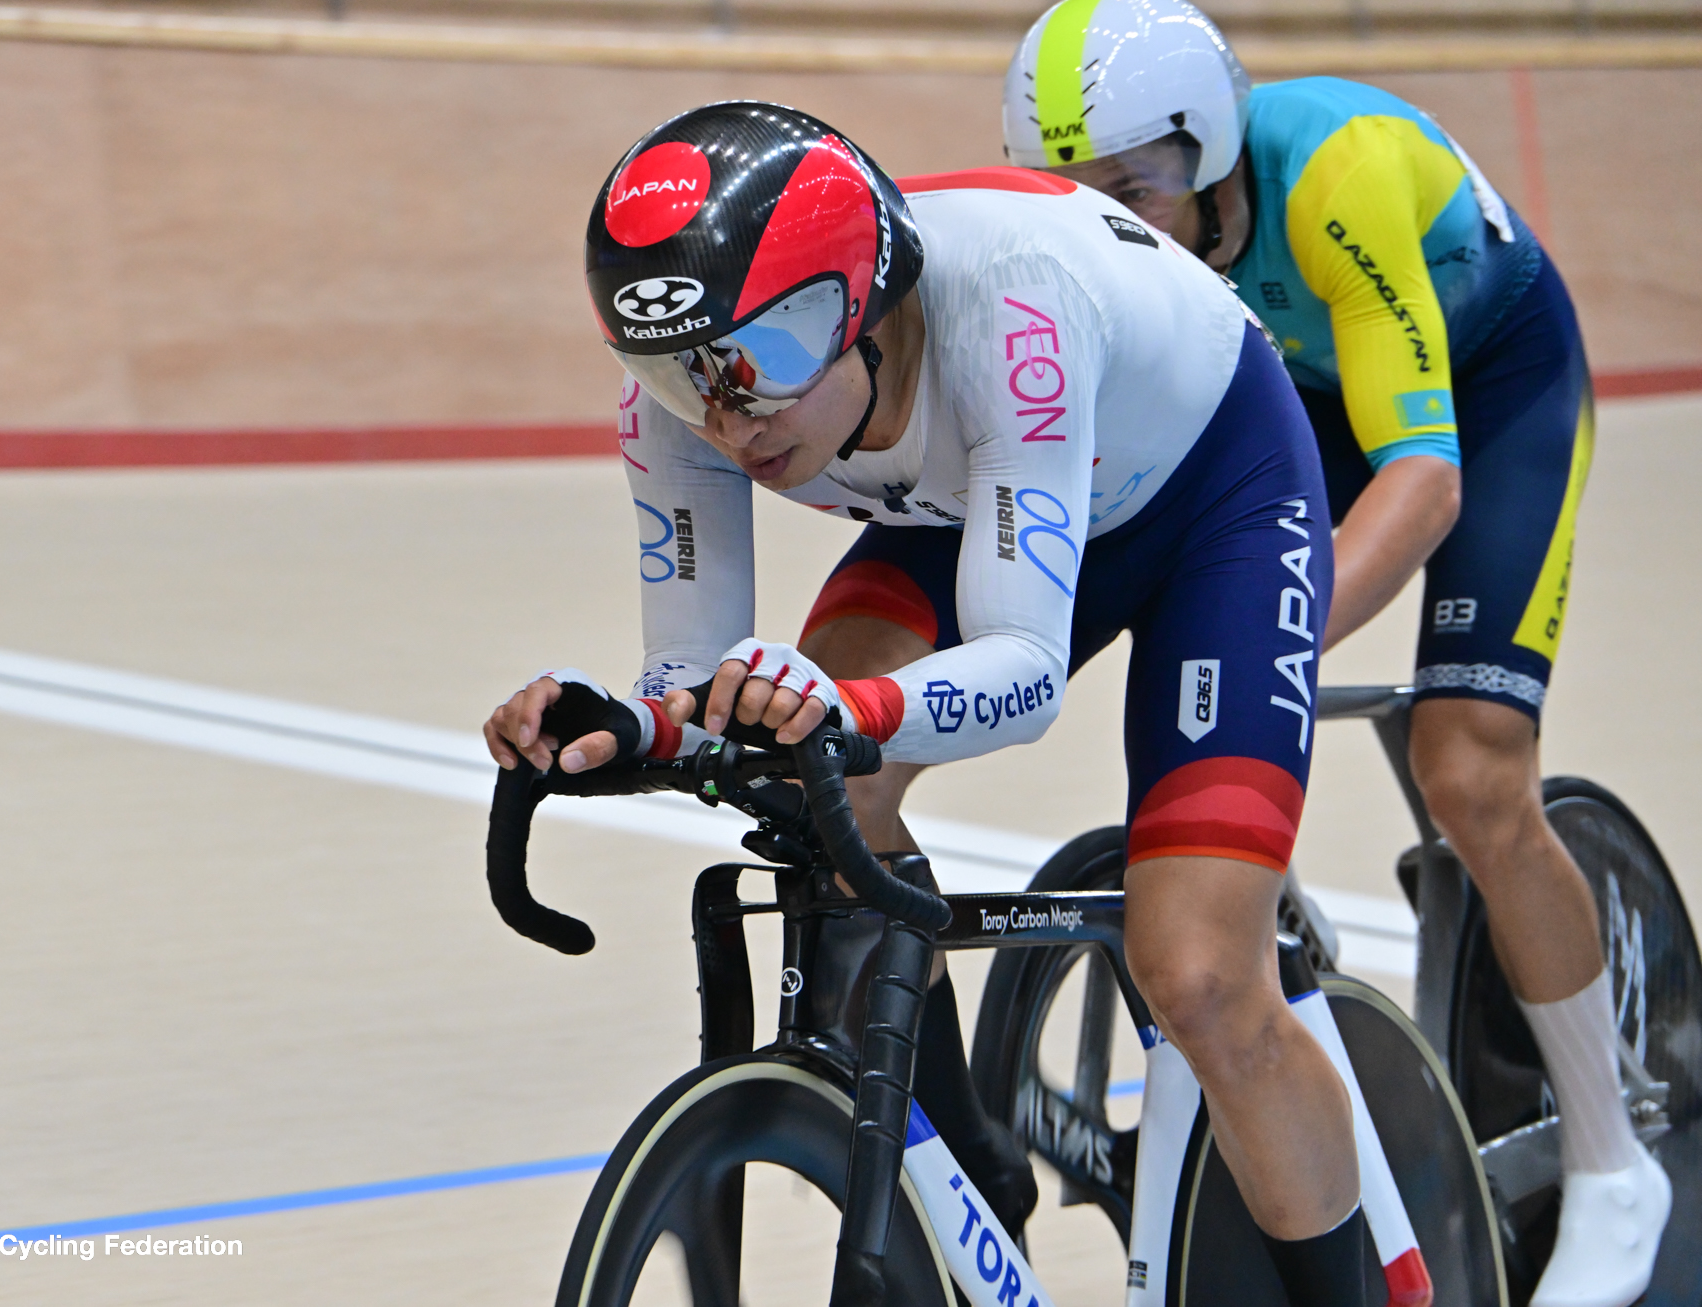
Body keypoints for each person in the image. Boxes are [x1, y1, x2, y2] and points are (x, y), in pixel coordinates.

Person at [483, 100, 1372, 1303]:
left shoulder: (1007, 303)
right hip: (983, 501)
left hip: (1212, 493)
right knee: (806, 781)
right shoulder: (696, 383)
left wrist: (846, 704)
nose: (727, 417)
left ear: (861, 302)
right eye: (677, 375)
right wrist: (622, 724)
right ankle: (975, 1196)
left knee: (1201, 973)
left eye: (760, 363)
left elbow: (1020, 675)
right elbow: (696, 683)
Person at [998, 3, 1670, 1304]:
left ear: (1209, 150)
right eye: (1076, 193)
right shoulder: (1134, 239)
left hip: (1488, 385)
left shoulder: (1335, 171)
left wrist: (1274, 642)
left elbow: (1421, 482)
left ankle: (1611, 1155)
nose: (1110, 219)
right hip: (1307, 386)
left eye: (1135, 187)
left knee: (1469, 766)